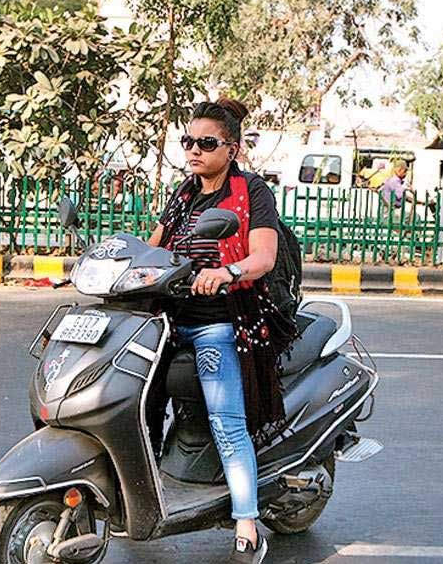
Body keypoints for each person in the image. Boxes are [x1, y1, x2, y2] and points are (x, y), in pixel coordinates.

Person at [147, 98, 298, 564]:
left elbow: (263, 257)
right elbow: (151, 248)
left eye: (205, 143)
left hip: (220, 320)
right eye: (187, 141)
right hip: (170, 320)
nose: (193, 150)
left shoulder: (251, 192)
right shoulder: (184, 193)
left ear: (230, 148)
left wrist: (228, 272)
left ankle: (248, 525)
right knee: (138, 398)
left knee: (225, 420)